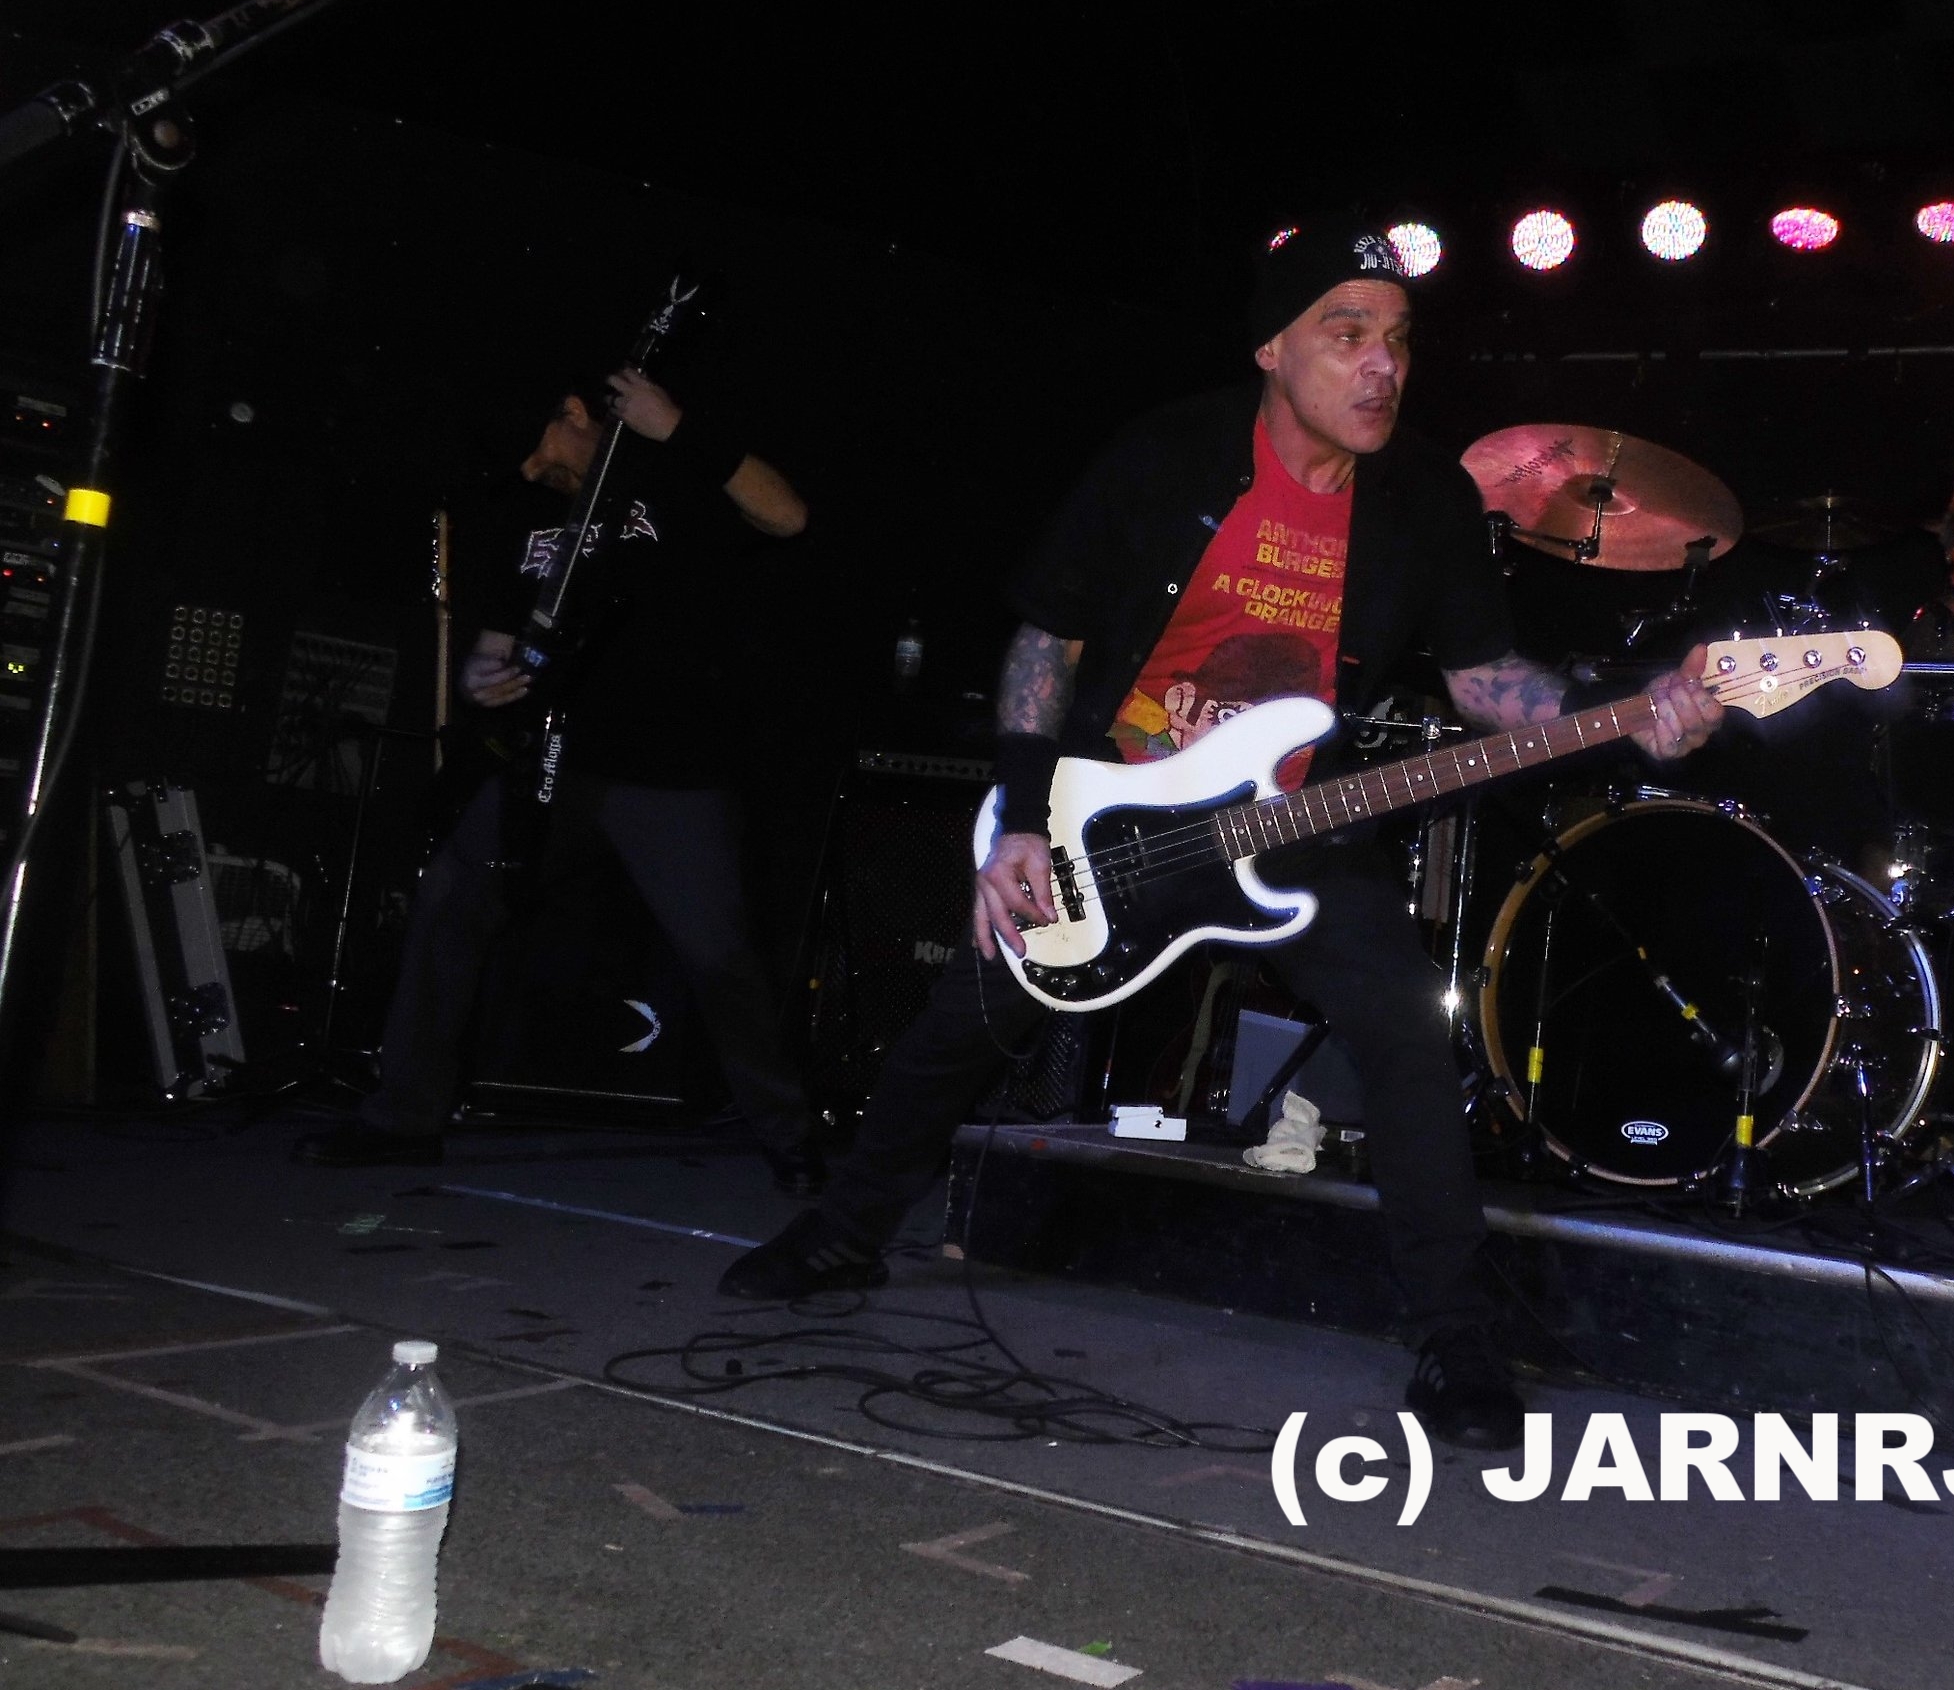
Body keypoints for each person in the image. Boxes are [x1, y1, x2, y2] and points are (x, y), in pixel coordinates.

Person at [714, 217, 1724, 1448]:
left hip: (1291, 825)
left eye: (1398, 339)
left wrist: (1629, 715)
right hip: (1113, 813)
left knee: (1409, 1038)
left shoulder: (1425, 499)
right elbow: (1048, 641)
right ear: (1271, 348)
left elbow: (1482, 678)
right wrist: (1021, 823)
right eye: (1346, 334)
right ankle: (844, 1233)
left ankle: (1458, 1340)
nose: (1382, 365)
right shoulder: (1168, 454)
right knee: (962, 1022)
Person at [293, 362, 824, 1190]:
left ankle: (793, 1140)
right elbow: (496, 648)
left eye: (542, 451)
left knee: (720, 955)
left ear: (576, 412)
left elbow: (787, 515)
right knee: (449, 900)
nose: (538, 471)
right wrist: (481, 678)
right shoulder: (527, 518)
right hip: (550, 761)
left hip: (669, 769)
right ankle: (403, 1117)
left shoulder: (664, 473)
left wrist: (678, 426)